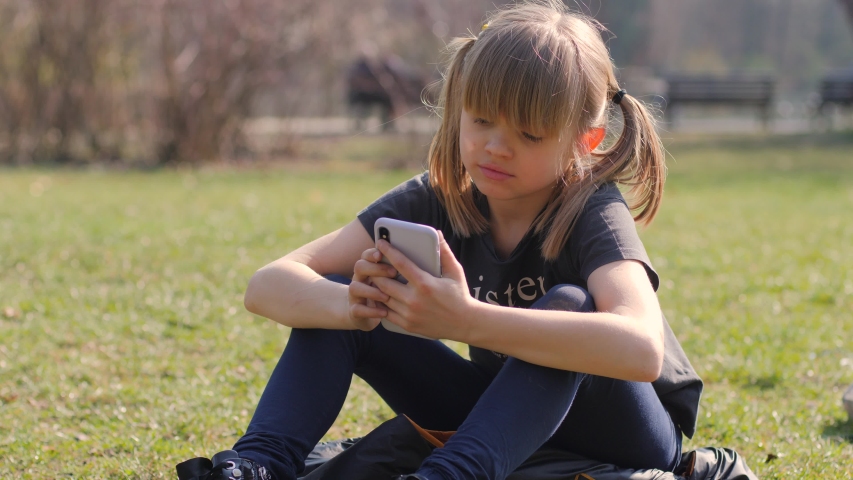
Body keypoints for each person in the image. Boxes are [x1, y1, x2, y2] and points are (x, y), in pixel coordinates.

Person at [176, 1, 702, 479]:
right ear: (457, 108)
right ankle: (258, 464)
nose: (497, 148)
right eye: (481, 121)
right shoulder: (440, 197)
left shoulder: (592, 211)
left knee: (571, 305)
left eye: (530, 135)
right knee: (344, 291)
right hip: (499, 419)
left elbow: (641, 350)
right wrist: (355, 302)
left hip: (623, 436)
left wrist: (466, 320)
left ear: (584, 142)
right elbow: (266, 286)